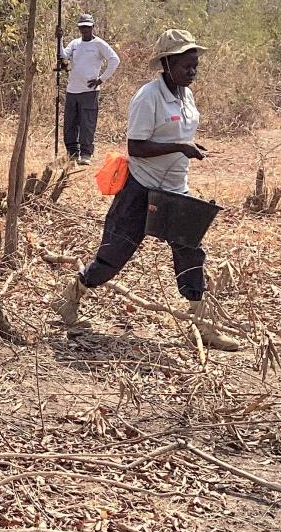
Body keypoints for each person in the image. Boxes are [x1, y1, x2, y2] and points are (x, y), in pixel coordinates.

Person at [54, 29, 241, 351]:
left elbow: (176, 135)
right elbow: (136, 147)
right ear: (167, 64)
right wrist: (180, 146)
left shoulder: (186, 95)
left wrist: (189, 145)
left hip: (175, 190)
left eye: (195, 66)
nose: (192, 72)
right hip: (140, 189)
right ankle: (72, 296)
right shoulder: (148, 97)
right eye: (186, 66)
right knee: (114, 254)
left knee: (191, 253)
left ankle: (202, 326)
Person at [58, 13, 120, 165]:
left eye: (87, 27)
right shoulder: (75, 43)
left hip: (89, 91)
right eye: (82, 27)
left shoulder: (99, 44)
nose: (84, 30)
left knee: (87, 123)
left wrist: (101, 79)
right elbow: (63, 55)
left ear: (93, 27)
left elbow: (114, 60)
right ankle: (73, 153)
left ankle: (86, 154)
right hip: (72, 89)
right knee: (70, 123)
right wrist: (59, 39)